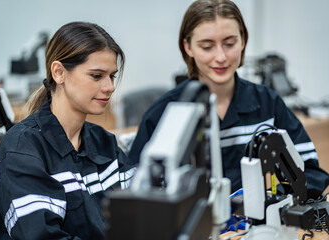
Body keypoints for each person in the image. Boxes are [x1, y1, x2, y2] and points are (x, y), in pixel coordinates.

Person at [128, 0, 329, 199]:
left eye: (230, 43)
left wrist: (271, 200)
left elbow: (310, 173)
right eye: (207, 46)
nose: (221, 57)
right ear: (188, 47)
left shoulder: (269, 103)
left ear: (243, 41)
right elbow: (138, 193)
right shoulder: (163, 114)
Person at [0, 21, 136, 240]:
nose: (110, 87)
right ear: (59, 73)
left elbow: (140, 212)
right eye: (96, 76)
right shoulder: (21, 150)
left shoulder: (105, 143)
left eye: (112, 76)